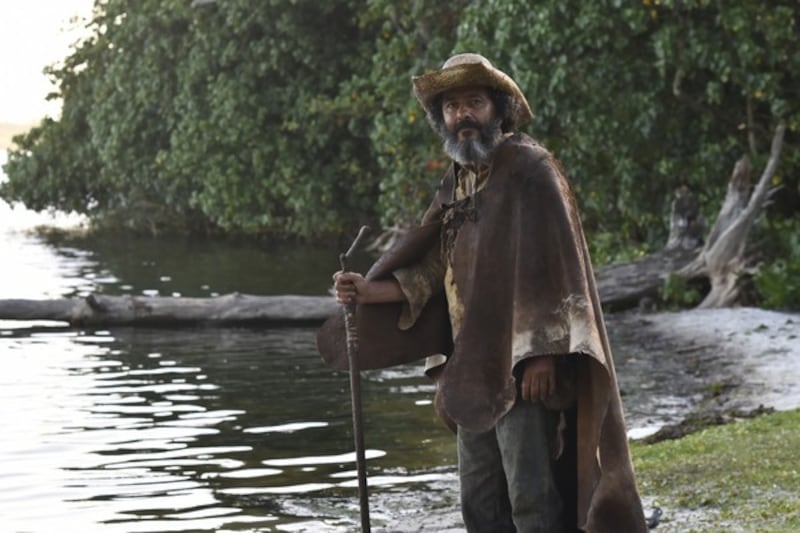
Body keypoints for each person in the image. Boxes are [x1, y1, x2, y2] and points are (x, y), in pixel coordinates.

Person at [318, 53, 647, 533]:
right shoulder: (457, 183)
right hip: (470, 367)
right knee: (480, 500)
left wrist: (543, 355)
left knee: (531, 497)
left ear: (498, 108)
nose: (463, 115)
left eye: (474, 102)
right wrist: (368, 292)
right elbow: (431, 269)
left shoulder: (531, 170)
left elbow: (557, 270)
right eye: (452, 107)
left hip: (523, 369)